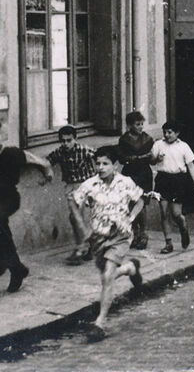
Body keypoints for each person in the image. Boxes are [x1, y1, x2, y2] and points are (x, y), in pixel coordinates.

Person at [70, 146, 144, 341]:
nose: (100, 167)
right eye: (98, 163)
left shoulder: (125, 182)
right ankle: (130, 268)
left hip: (120, 234)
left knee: (107, 275)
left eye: (105, 164)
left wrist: (131, 217)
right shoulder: (90, 184)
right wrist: (82, 226)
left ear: (115, 165)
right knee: (107, 276)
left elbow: (140, 200)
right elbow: (74, 200)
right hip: (98, 237)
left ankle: (99, 323)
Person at [0, 122, 53, 293]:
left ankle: (13, 267)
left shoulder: (11, 153)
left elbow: (40, 162)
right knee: (2, 231)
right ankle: (13, 266)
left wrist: (48, 171)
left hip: (8, 198)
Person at [46, 125, 96, 265]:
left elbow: (99, 158)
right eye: (63, 141)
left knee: (81, 216)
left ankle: (81, 249)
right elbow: (48, 161)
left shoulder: (84, 150)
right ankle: (87, 246)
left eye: (69, 140)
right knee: (74, 219)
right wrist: (47, 172)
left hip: (85, 185)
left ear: (75, 138)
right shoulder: (60, 152)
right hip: (70, 186)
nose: (66, 144)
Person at [151, 121, 194, 254]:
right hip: (163, 179)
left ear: (177, 133)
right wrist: (157, 159)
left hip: (178, 180)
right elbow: (152, 161)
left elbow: (191, 165)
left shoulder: (183, 146)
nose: (167, 135)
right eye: (165, 132)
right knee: (163, 212)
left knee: (176, 214)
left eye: (170, 132)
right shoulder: (158, 144)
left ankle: (183, 226)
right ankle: (168, 243)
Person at [118, 111, 154, 250]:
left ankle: (144, 234)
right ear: (129, 125)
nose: (140, 127)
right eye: (137, 124)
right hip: (130, 173)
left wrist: (151, 157)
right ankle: (135, 233)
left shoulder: (148, 139)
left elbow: (151, 157)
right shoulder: (124, 140)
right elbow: (122, 157)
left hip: (144, 173)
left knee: (142, 204)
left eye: (141, 124)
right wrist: (134, 158)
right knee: (130, 204)